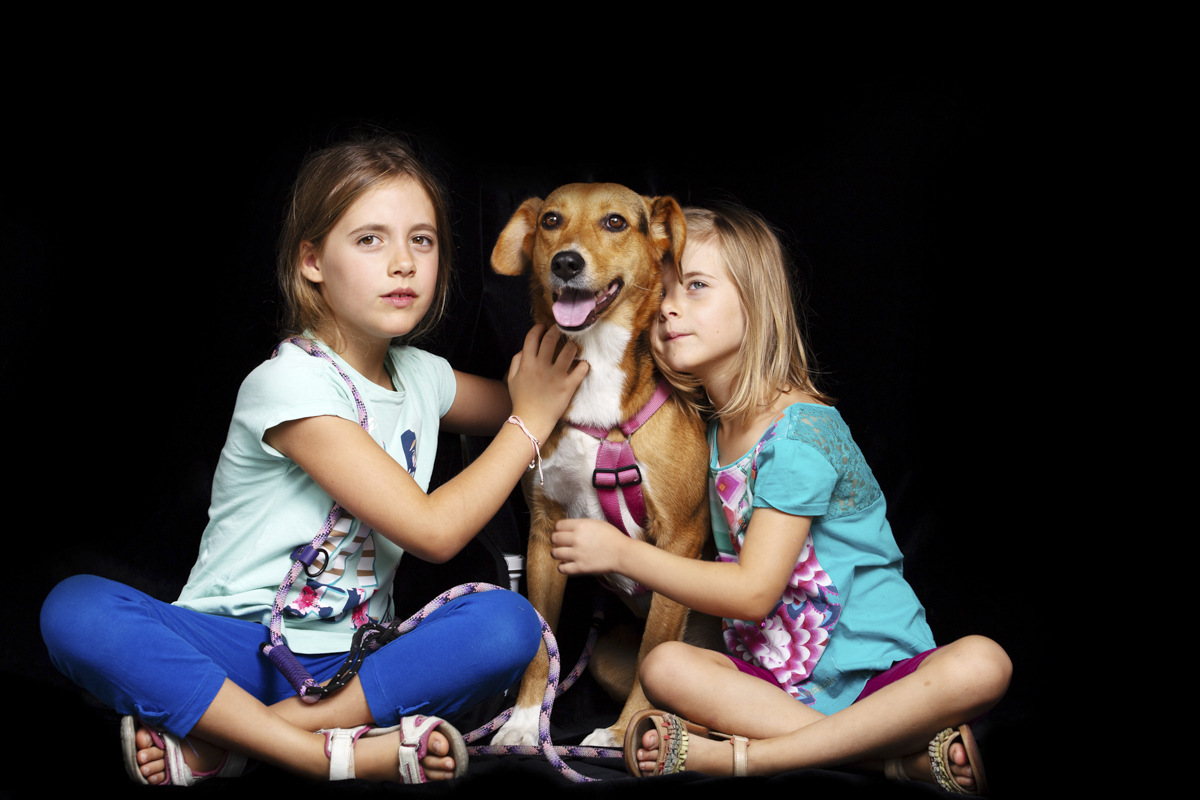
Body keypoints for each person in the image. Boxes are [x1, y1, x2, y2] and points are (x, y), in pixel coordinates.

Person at [40, 135, 588, 785]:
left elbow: (527, 403)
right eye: (370, 240)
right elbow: (436, 529)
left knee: (509, 624)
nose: (404, 263)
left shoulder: (424, 376)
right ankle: (321, 753)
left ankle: (231, 745)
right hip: (233, 653)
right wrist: (532, 420)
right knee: (75, 608)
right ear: (312, 261)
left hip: (353, 668)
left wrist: (568, 387)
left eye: (422, 240)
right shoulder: (290, 382)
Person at [549, 204, 1010, 794]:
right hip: (773, 686)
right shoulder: (707, 433)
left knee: (983, 662)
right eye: (660, 291)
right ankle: (887, 759)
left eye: (695, 286)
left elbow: (753, 593)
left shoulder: (799, 433)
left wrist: (621, 554)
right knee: (663, 666)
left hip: (885, 681)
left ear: (756, 302)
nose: (667, 307)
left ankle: (749, 759)